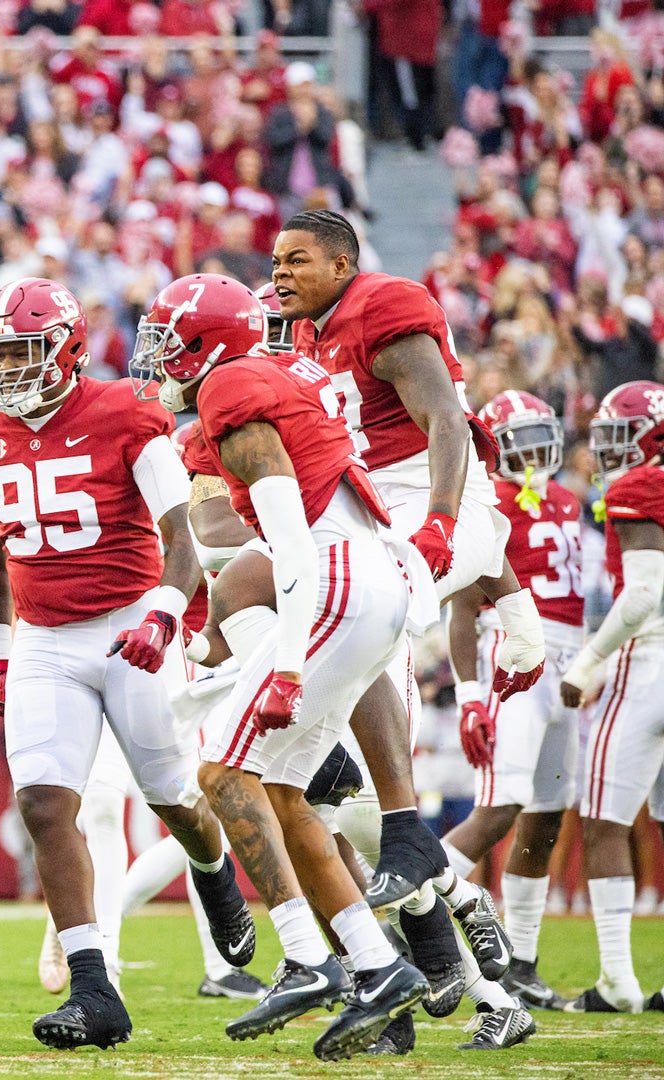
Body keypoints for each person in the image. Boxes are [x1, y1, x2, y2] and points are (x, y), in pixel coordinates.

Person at [0, 277, 252, 1051]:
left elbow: (180, 538)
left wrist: (160, 614)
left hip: (130, 622)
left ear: (69, 349)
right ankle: (94, 987)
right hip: (46, 635)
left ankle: (213, 868)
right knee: (47, 804)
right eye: (0, 354)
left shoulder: (126, 413)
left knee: (172, 796)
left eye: (24, 352)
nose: (9, 370)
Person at [136, 272, 429, 1059]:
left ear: (206, 344)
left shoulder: (232, 388)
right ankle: (378, 969)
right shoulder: (271, 373)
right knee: (285, 792)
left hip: (331, 580)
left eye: (169, 343)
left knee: (222, 775)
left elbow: (289, 544)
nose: (161, 360)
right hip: (369, 577)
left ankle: (304, 956)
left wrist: (290, 661)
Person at [275, 210, 542, 933]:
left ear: (341, 265)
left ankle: (403, 846)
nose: (280, 274)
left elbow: (448, 422)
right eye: (275, 262)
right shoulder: (305, 332)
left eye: (297, 260)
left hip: (428, 494)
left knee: (365, 623)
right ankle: (448, 905)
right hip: (370, 510)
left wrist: (445, 519)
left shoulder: (380, 305)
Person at [442, 391, 582, 1011]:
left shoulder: (567, 498)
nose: (533, 449)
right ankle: (408, 910)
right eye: (518, 437)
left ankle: (521, 961)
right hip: (515, 655)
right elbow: (465, 609)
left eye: (539, 433)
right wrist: (471, 693)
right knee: (502, 806)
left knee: (547, 814)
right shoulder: (489, 498)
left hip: (569, 660)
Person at [558, 381, 664, 1014]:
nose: (609, 452)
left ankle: (618, 982)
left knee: (603, 821)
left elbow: (645, 593)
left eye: (620, 435)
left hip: (646, 662)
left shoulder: (638, 486)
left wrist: (591, 661)